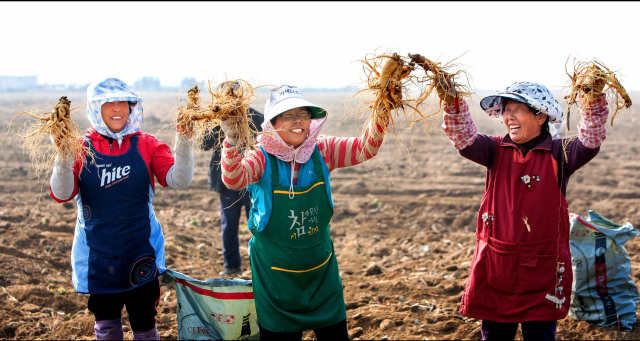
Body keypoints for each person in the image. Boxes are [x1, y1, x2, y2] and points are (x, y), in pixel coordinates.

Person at [439, 80, 610, 340]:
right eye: (505, 110)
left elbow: (591, 140)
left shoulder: (560, 153)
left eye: (517, 109)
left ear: (541, 116)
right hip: (499, 267)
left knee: (540, 336)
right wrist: (452, 101)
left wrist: (594, 99)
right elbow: (462, 137)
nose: (508, 116)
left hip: (543, 272)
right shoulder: (494, 149)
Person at [219, 85, 388, 340]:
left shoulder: (323, 150)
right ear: (273, 123)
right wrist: (231, 140)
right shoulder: (261, 157)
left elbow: (365, 148)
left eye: (303, 113)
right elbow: (233, 179)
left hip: (320, 274)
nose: (298, 120)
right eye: (288, 114)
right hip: (275, 277)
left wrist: (383, 108)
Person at [49, 78, 194, 340]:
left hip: (141, 251)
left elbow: (178, 180)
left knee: (145, 323)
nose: (117, 108)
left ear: (131, 107)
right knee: (106, 325)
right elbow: (62, 193)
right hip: (97, 255)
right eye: (108, 103)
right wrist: (62, 153)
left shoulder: (146, 144)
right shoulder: (80, 148)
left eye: (122, 102)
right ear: (96, 108)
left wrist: (184, 140)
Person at [202, 104, 263, 277]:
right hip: (226, 185)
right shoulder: (216, 119)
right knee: (228, 225)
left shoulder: (256, 117)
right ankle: (232, 267)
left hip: (252, 181)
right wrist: (219, 125)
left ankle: (259, 265)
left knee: (258, 225)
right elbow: (205, 145)